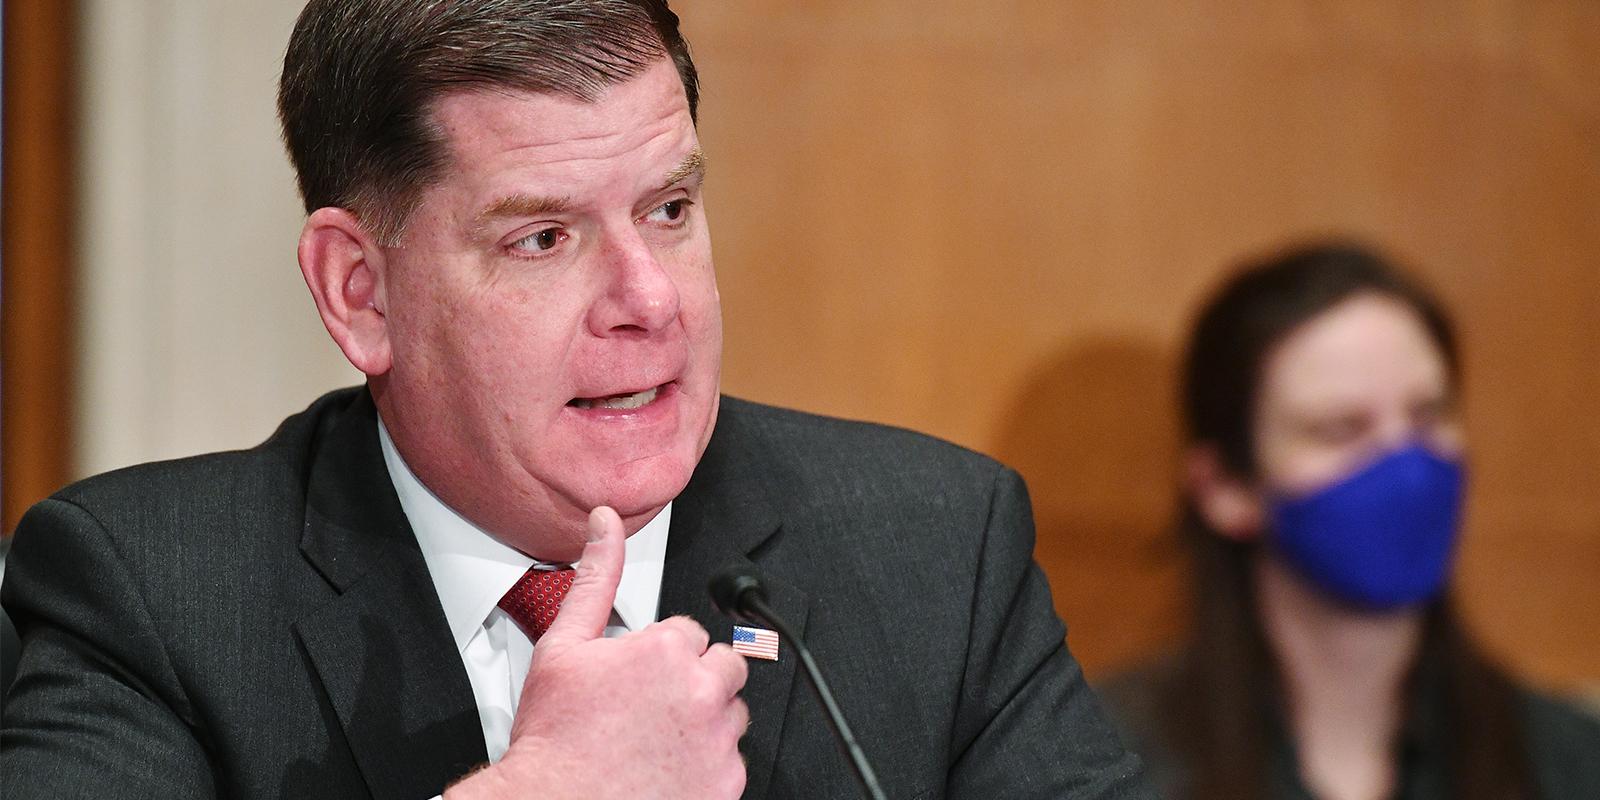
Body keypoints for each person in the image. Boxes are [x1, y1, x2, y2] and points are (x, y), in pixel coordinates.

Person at [0, 2, 1152, 798]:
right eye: (543, 237)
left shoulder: (933, 548)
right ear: (361, 291)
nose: (650, 301)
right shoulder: (152, 594)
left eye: (668, 210)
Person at [1099, 243, 1600, 800]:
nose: (1406, 465)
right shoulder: (1104, 767)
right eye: (1342, 429)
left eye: (1429, 414)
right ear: (1223, 490)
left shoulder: (1569, 764)